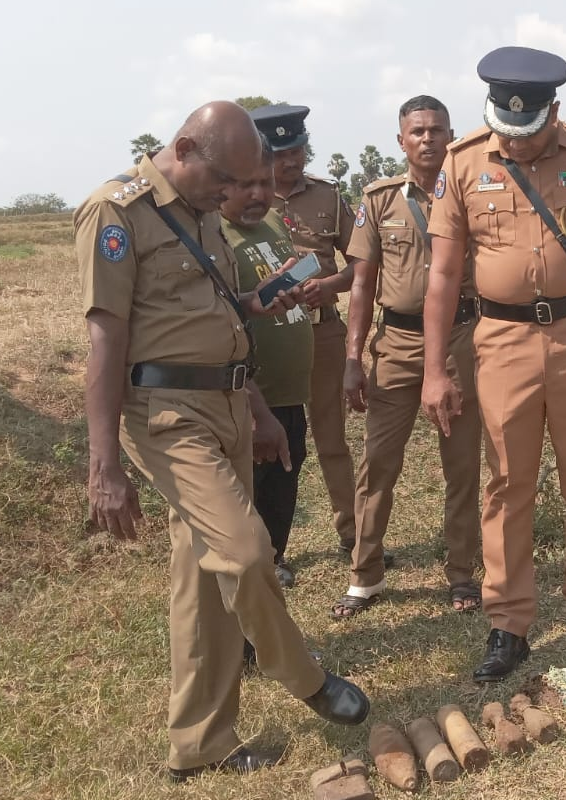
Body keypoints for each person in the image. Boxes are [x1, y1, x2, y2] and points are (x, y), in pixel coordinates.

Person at [76, 101, 369, 782]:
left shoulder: (203, 209)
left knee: (203, 585)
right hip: (167, 414)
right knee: (246, 550)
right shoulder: (116, 212)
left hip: (229, 402)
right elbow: (104, 340)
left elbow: (219, 321)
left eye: (246, 181)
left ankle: (200, 744)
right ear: (184, 149)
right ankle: (304, 676)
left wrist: (258, 402)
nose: (238, 194)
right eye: (228, 180)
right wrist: (103, 463)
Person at [421, 46, 566, 681]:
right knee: (506, 481)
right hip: (501, 341)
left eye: (526, 129)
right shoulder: (463, 161)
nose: (514, 141)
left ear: (553, 112)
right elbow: (442, 272)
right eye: (505, 127)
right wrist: (435, 370)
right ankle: (508, 621)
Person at [333, 95, 483, 619]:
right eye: (417, 131)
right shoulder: (379, 201)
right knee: (378, 464)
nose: (427, 139)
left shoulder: (469, 192)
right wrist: (353, 358)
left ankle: (462, 572)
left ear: (451, 136)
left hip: (462, 339)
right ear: (401, 141)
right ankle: (365, 574)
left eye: (436, 130)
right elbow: (361, 284)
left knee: (461, 465)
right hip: (396, 344)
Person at [250, 104, 359, 554]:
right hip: (269, 339)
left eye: (296, 151)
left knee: (332, 440)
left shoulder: (328, 196)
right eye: (280, 154)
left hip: (322, 333)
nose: (291, 161)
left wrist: (330, 286)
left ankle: (353, 535)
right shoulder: (245, 201)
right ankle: (268, 547)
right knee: (268, 440)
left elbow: (362, 264)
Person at [219, 137, 313, 591]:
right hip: (251, 397)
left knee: (280, 497)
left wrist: (291, 281)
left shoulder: (273, 219)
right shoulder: (212, 235)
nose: (259, 193)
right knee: (247, 509)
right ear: (220, 184)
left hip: (290, 393)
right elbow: (219, 318)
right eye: (245, 184)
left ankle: (273, 563)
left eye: (264, 182)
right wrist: (256, 412)